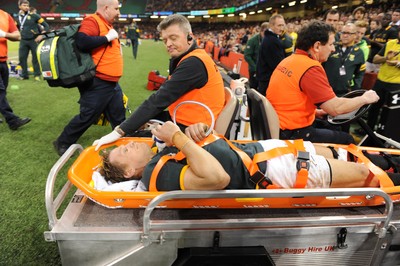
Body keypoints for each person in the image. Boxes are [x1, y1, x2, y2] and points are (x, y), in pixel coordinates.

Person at [99, 121, 400, 191]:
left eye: (123, 145)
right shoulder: (155, 174)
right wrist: (177, 136)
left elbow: (204, 155)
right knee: (367, 175)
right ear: (129, 174)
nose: (127, 145)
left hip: (262, 152)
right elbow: (217, 177)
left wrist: (198, 134)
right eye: (123, 153)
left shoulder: (160, 156)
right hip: (272, 169)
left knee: (348, 153)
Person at [93, 14, 225, 150]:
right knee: (137, 128)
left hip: (194, 130)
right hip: (187, 120)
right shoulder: (193, 57)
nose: (168, 44)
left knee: (131, 145)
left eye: (173, 38)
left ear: (189, 37)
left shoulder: (193, 63)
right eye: (165, 40)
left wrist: (119, 130)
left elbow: (159, 99)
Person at [266, 21, 379, 145]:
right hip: (291, 132)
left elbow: (287, 100)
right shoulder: (310, 68)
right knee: (347, 139)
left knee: (330, 126)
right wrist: (364, 98)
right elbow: (336, 108)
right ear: (317, 46)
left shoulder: (289, 60)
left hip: (279, 125)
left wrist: (314, 112)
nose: (333, 49)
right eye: (331, 44)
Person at [53, 0, 126, 156]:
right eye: (116, 9)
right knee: (88, 115)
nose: (118, 13)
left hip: (111, 82)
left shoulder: (106, 24)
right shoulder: (93, 20)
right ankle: (63, 141)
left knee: (118, 113)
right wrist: (107, 38)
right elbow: (82, 41)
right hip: (98, 81)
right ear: (106, 8)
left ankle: (123, 141)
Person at [0, 9, 31, 130]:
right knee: (0, 91)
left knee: (3, 90)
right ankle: (12, 120)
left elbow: (17, 36)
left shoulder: (5, 15)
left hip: (3, 60)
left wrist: (4, 34)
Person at [366, 29, 400, 131]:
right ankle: (368, 131)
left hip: (396, 85)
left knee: (390, 112)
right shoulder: (390, 43)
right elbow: (375, 59)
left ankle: (385, 135)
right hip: (380, 81)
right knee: (373, 109)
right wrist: (386, 58)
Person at [323, 23, 366, 96]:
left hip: (344, 92)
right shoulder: (332, 47)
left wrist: (355, 88)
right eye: (343, 33)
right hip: (326, 90)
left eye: (348, 33)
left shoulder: (359, 53)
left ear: (355, 35)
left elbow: (360, 73)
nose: (345, 35)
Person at [16, 0, 49, 81]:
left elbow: (46, 25)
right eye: (24, 5)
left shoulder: (34, 16)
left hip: (33, 40)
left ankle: (37, 75)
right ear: (19, 6)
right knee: (22, 58)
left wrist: (41, 35)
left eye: (27, 5)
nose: (26, 7)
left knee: (35, 58)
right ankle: (24, 75)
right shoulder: (18, 17)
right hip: (23, 40)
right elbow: (16, 27)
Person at [256, 14, 286, 95]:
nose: (281, 28)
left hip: (265, 78)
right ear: (271, 26)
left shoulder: (270, 38)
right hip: (268, 79)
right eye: (279, 25)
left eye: (283, 25)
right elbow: (277, 64)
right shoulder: (272, 41)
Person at [244, 22, 269, 89]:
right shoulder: (253, 40)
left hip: (265, 70)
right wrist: (255, 68)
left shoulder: (269, 40)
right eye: (266, 32)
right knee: (253, 88)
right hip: (254, 69)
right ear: (261, 31)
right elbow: (247, 55)